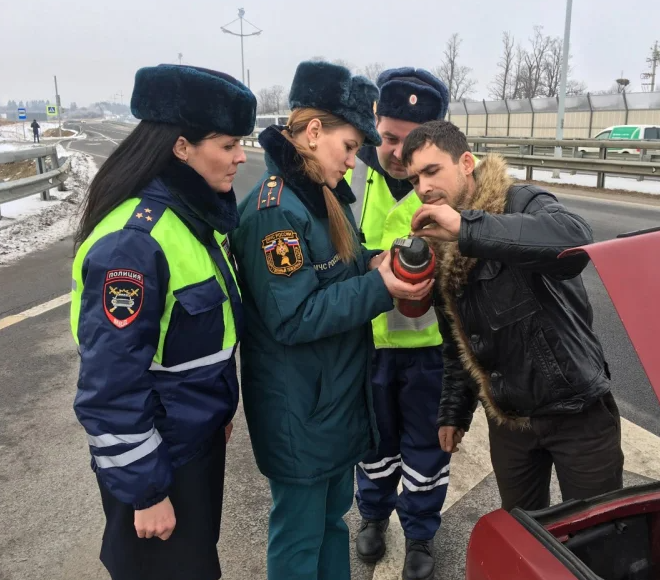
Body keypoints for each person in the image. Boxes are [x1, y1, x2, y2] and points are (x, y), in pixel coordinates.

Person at [229, 61, 434, 580]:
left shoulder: (319, 195)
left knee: (331, 525)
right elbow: (294, 316)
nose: (352, 160)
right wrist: (381, 287)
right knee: (299, 538)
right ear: (315, 131)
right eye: (348, 146)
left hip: (330, 402)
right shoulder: (277, 211)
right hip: (300, 408)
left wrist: (373, 262)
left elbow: (340, 263)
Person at [70, 64, 255, 580]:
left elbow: (196, 344)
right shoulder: (134, 243)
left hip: (192, 445)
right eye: (228, 145)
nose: (241, 156)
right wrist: (147, 493)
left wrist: (216, 412)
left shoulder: (192, 220)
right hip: (159, 464)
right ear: (181, 147)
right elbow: (109, 386)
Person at [402, 120, 624, 513]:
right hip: (510, 423)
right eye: (415, 179)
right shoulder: (440, 242)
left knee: (601, 534)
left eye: (432, 171)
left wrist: (467, 228)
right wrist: (454, 410)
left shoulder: (518, 201)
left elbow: (574, 241)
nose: (423, 187)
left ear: (466, 163)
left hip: (578, 412)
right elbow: (459, 341)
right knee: (524, 534)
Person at [345, 67, 450, 580]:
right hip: (366, 344)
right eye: (388, 137)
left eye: (411, 142)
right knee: (374, 443)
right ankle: (373, 515)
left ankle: (421, 533)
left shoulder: (447, 183)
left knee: (427, 449)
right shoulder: (348, 173)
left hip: (429, 348)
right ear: (374, 126)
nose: (397, 153)